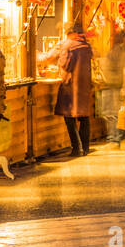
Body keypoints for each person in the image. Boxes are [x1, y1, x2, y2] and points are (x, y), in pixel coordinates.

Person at [39, 25, 94, 158]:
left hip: (71, 87)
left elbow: (65, 65)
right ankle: (85, 148)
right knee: (84, 117)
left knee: (69, 117)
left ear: (69, 33)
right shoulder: (86, 46)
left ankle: (77, 148)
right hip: (85, 86)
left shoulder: (68, 45)